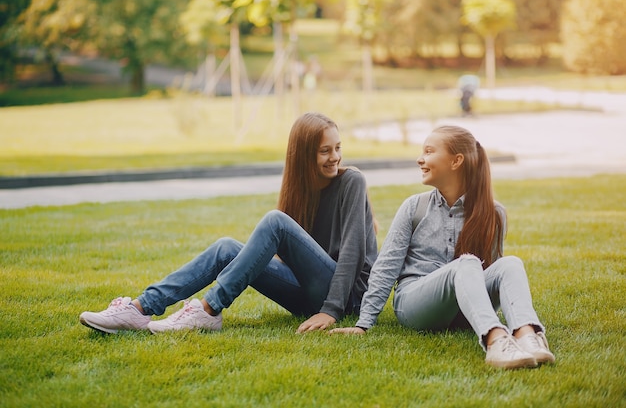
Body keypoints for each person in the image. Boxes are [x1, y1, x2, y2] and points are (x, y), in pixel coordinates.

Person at [80, 112, 378, 335]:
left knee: (276, 222)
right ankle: (140, 308)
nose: (335, 157)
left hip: (346, 297)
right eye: (325, 151)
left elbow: (352, 255)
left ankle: (209, 309)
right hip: (308, 294)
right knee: (225, 248)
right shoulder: (300, 190)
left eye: (337, 148)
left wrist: (331, 311)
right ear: (302, 155)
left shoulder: (351, 181)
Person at [330, 125, 555, 370]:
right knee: (467, 263)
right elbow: (386, 268)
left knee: (511, 263)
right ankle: (496, 342)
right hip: (414, 304)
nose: (420, 159)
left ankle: (527, 336)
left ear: (456, 161)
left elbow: (493, 275)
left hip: (462, 309)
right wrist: (364, 323)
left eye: (429, 152)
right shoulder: (414, 207)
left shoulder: (494, 212)